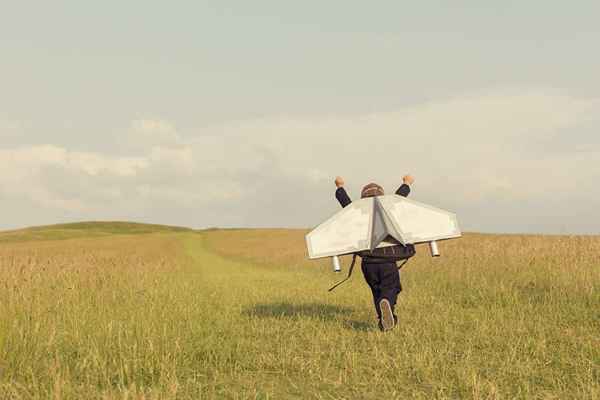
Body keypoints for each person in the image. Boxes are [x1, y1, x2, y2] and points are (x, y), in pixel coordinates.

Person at [334, 175, 415, 332]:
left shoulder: (357, 214)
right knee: (391, 288)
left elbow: (346, 203)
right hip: (387, 261)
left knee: (376, 290)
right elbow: (398, 198)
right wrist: (406, 183)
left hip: (367, 264)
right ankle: (388, 307)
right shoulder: (388, 211)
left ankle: (383, 322)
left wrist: (340, 187)